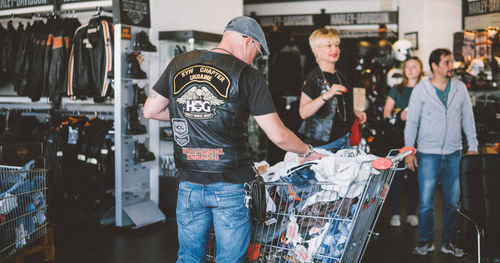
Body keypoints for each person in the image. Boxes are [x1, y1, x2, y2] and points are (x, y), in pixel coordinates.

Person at [143, 16, 324, 263]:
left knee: (188, 258)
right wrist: (306, 151)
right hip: (229, 184)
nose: (254, 60)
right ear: (248, 41)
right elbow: (278, 135)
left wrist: (194, 115)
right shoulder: (247, 74)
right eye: (257, 53)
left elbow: (151, 110)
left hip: (188, 182)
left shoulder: (179, 63)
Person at [404, 48, 478, 257]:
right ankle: (425, 241)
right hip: (427, 153)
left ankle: (450, 242)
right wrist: (409, 150)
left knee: (452, 202)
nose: (451, 66)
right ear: (435, 66)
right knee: (426, 202)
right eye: (446, 62)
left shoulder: (460, 87)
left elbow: (467, 118)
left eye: (451, 62)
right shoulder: (421, 89)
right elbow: (412, 122)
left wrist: (473, 146)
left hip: (454, 152)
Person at [298, 28, 366, 152]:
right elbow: (303, 112)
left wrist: (354, 112)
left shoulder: (340, 76)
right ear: (317, 50)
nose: (335, 49)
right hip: (323, 145)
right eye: (329, 45)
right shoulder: (313, 78)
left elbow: (338, 105)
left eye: (337, 45)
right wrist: (326, 95)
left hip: (344, 140)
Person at [383, 57, 424, 227]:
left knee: (416, 177)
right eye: (408, 66)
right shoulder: (397, 89)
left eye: (415, 66)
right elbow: (386, 113)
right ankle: (395, 213)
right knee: (397, 176)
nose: (411, 69)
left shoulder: (425, 89)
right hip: (398, 138)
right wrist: (399, 114)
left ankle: (411, 213)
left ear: (420, 69)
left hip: (421, 139)